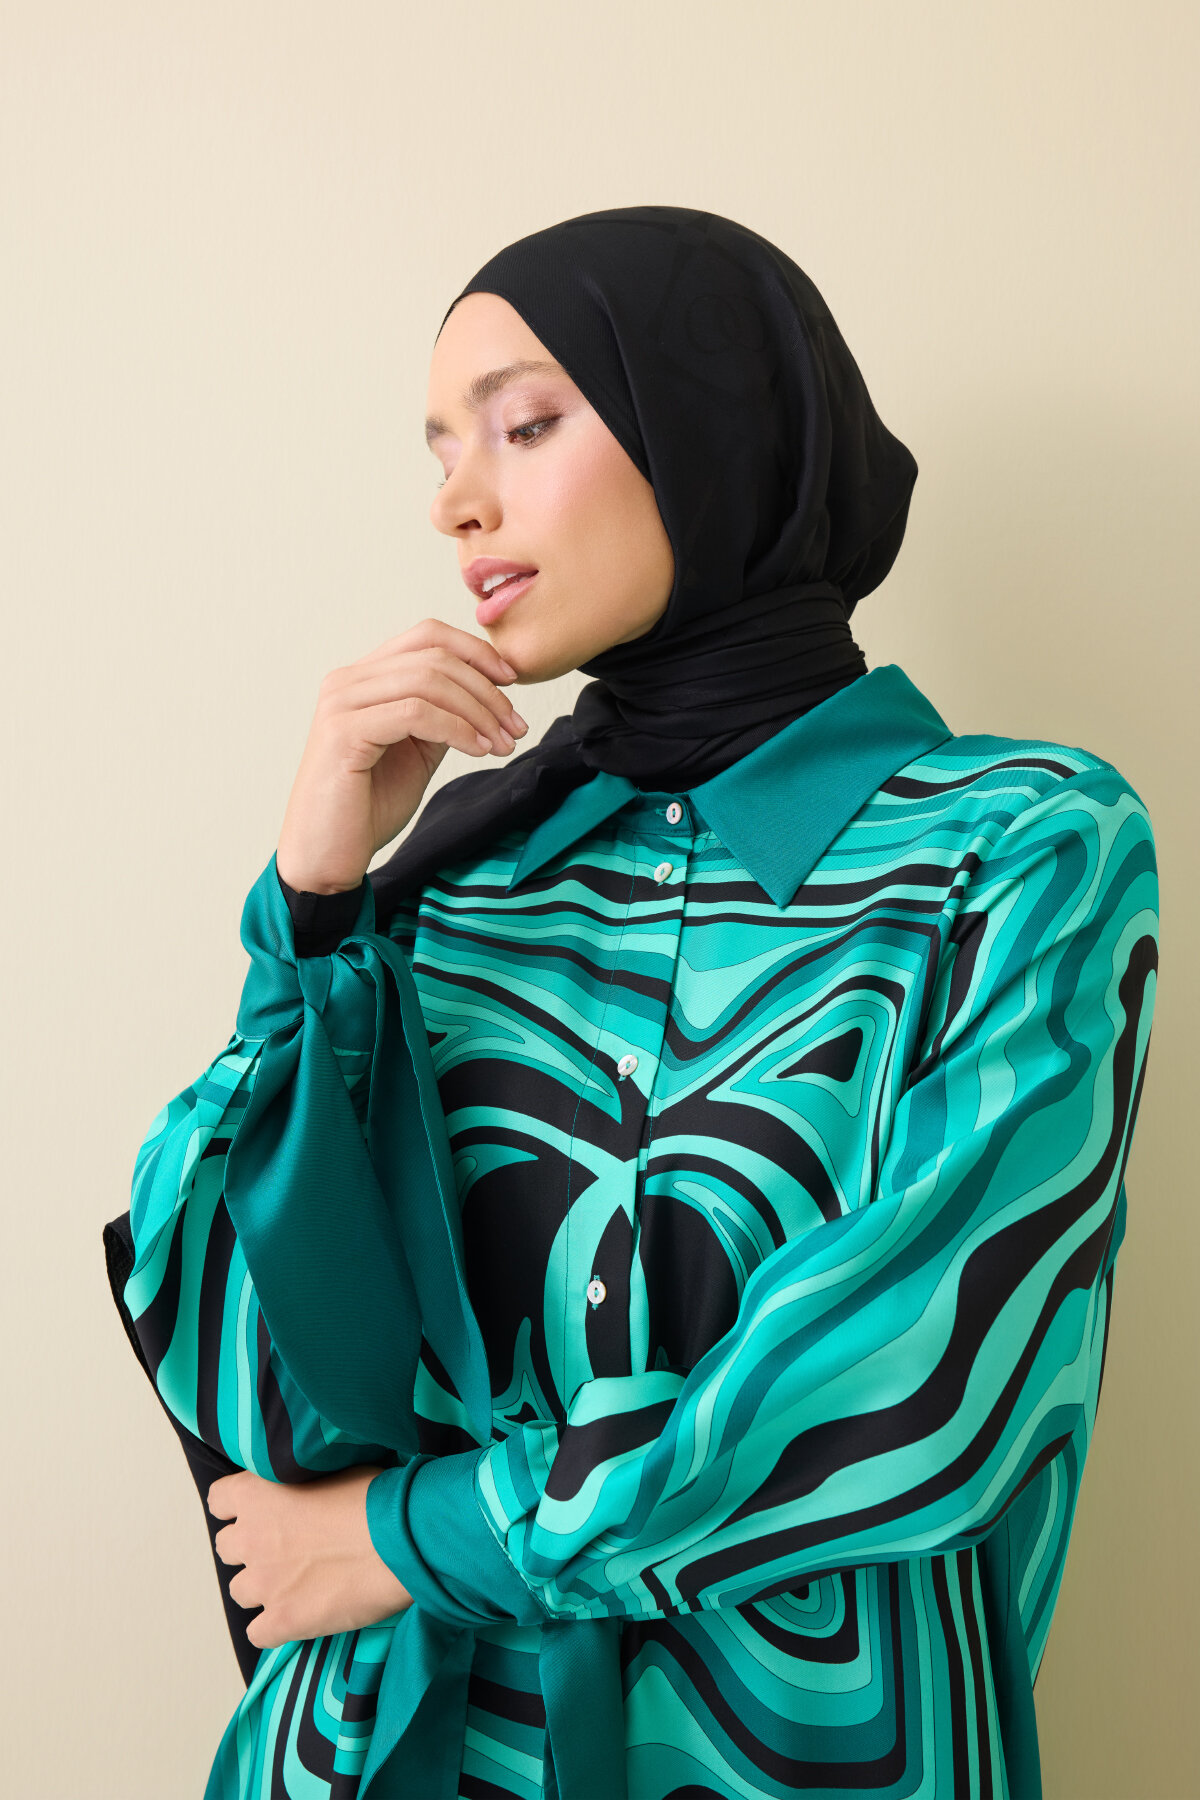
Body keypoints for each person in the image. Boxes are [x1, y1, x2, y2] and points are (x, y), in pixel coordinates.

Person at [105, 205, 1160, 1800]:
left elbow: (926, 1373)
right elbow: (257, 1367)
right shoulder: (459, 879)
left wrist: (425, 1534)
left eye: (526, 425)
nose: (457, 502)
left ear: (711, 429)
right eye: (441, 452)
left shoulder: (1018, 848)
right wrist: (312, 909)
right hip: (390, 1749)